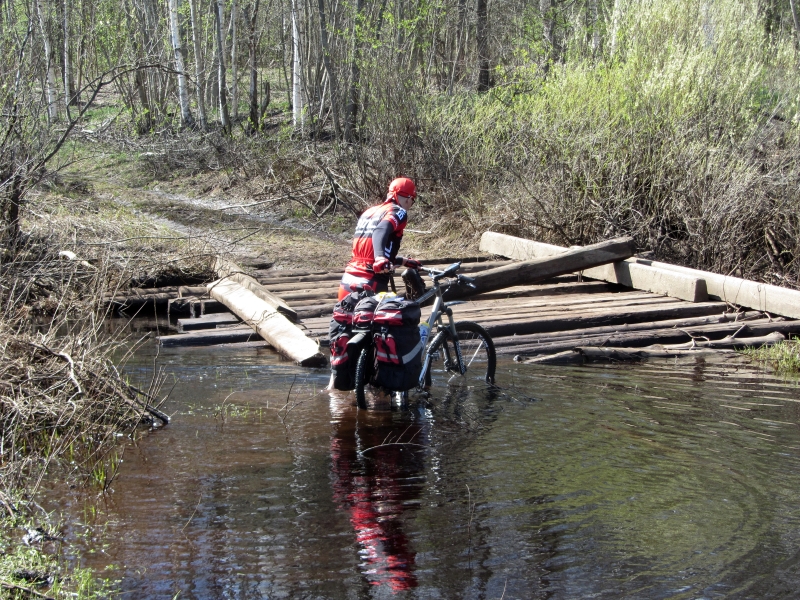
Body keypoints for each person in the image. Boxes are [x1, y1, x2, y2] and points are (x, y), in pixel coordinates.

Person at [337, 177, 422, 300]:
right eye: (412, 201)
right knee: (406, 311)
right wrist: (380, 258)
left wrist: (403, 261)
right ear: (408, 199)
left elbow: (368, 254)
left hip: (348, 279)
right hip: (371, 282)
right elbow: (380, 230)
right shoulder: (399, 211)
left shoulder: (369, 212)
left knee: (345, 313)